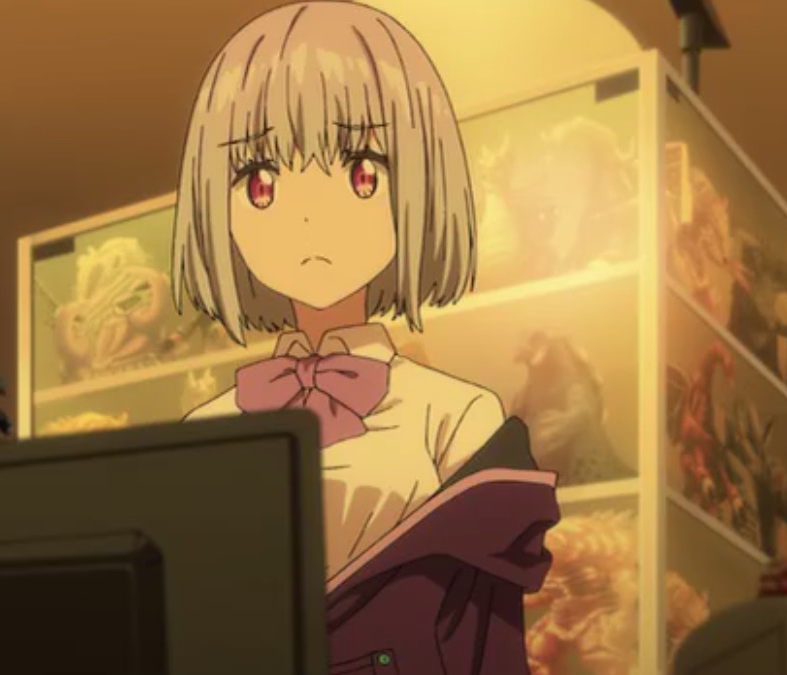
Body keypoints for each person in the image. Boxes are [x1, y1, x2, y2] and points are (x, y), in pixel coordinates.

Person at [172, 3, 559, 672]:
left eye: (360, 171)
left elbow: (486, 646)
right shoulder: (204, 431)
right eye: (260, 181)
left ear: (422, 181)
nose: (307, 217)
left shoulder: (456, 417)